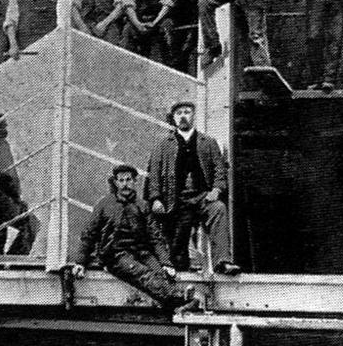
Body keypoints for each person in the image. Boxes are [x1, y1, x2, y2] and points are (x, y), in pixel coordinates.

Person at [70, 165, 198, 313]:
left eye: (128, 179)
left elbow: (154, 236)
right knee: (143, 274)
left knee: (161, 272)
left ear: (135, 182)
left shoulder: (142, 205)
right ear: (116, 183)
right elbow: (89, 234)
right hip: (116, 255)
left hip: (141, 252)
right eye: (121, 180)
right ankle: (181, 298)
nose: (125, 183)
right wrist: (80, 261)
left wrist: (165, 262)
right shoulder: (104, 204)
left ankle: (177, 306)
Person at [145, 101, 239, 275]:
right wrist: (156, 199)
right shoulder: (163, 145)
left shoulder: (208, 143)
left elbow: (220, 170)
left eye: (187, 112)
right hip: (176, 200)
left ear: (193, 116)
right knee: (177, 248)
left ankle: (223, 261)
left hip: (203, 198)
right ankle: (179, 268)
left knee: (218, 209)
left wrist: (216, 190)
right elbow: (154, 175)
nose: (183, 116)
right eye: (178, 113)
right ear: (173, 118)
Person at [0, 113, 36, 255]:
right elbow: (0, 176)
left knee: (25, 225)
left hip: (6, 197)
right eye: (0, 125)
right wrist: (15, 197)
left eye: (4, 125)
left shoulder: (4, 145)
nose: (4, 129)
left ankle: (13, 256)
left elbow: (10, 174)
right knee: (27, 223)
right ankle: (9, 258)